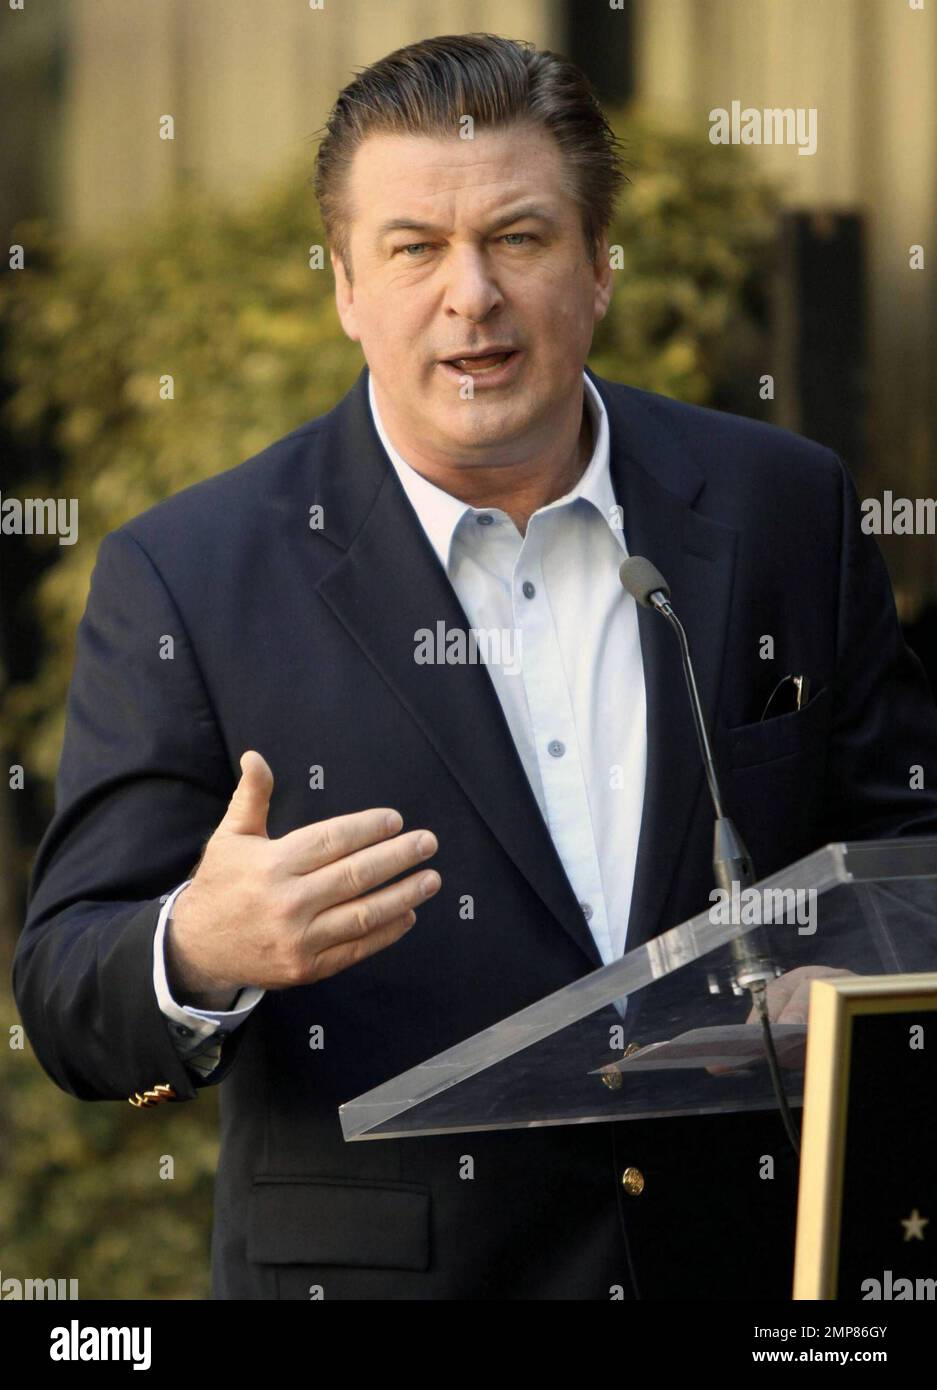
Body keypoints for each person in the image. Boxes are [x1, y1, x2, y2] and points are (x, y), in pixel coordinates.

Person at [13, 33, 937, 1301]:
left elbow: (908, 853)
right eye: (414, 247)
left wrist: (853, 994)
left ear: (599, 266)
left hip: (747, 1273)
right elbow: (67, 988)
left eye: (519, 237)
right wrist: (201, 947)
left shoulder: (785, 507)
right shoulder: (192, 575)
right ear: (344, 284)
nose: (472, 295)